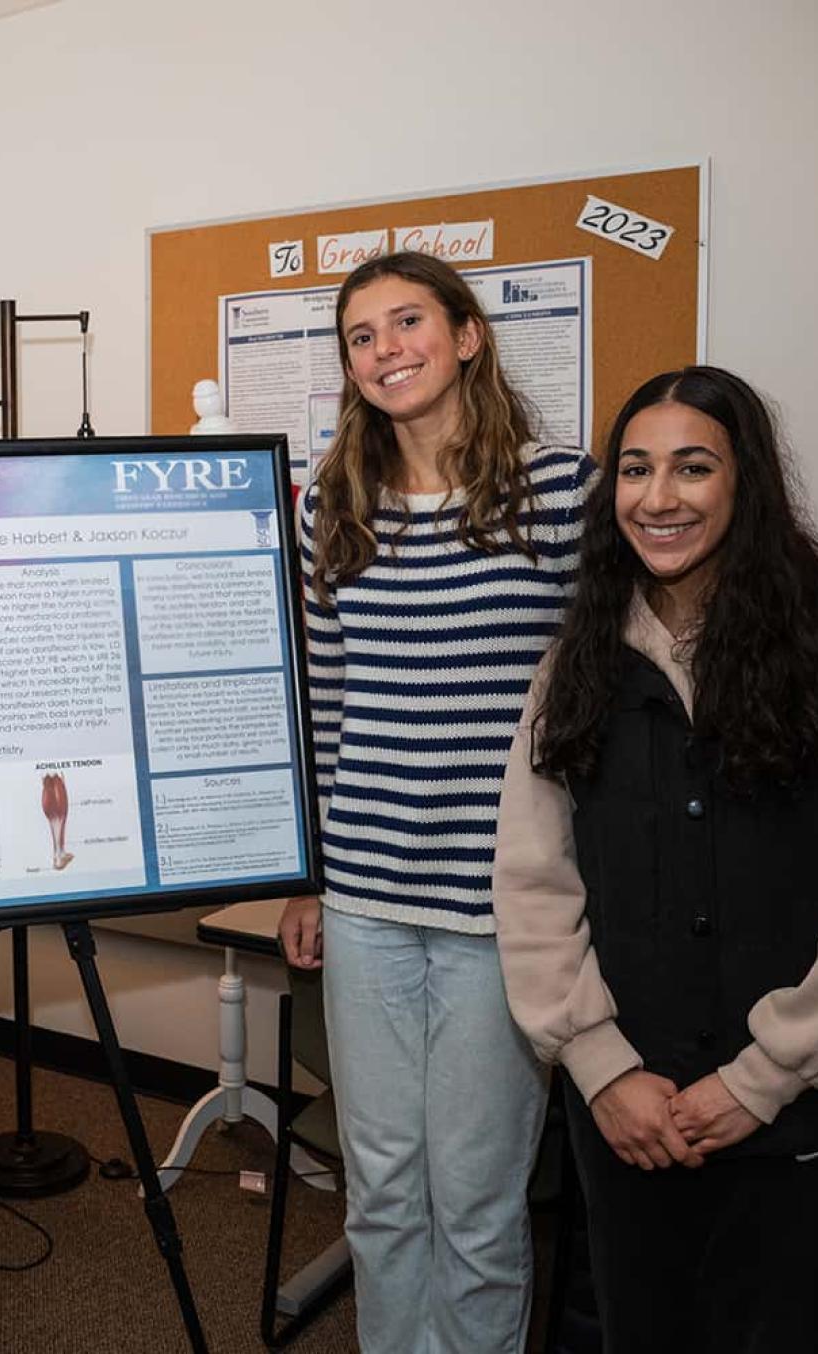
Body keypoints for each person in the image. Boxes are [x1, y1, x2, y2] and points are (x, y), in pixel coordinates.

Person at [493, 366, 818, 1352]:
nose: (658, 497)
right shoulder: (570, 671)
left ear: (744, 486)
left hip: (797, 1121)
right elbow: (532, 889)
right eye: (636, 470)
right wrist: (600, 1068)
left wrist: (757, 1080)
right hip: (627, 1115)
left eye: (692, 467)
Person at [274, 250, 594, 1350]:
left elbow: (601, 699)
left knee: (473, 1203)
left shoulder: (561, 490)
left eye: (406, 322)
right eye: (360, 337)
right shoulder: (330, 503)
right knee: (379, 1190)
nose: (384, 350)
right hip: (364, 897)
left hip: (497, 911)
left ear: (465, 336)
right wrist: (310, 876)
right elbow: (324, 701)